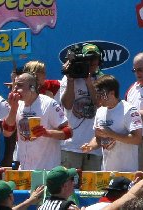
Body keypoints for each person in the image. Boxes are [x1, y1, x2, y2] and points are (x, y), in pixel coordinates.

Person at [3, 72, 72, 170]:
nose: (15, 90)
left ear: (32, 88)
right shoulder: (17, 105)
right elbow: (7, 132)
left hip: (47, 169)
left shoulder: (49, 104)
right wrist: (13, 109)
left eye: (19, 86)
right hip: (24, 169)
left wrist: (47, 133)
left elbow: (68, 132)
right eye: (14, 85)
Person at [81, 75, 142, 171]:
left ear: (112, 93)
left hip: (126, 170)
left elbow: (137, 139)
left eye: (101, 95)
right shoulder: (100, 111)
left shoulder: (129, 110)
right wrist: (90, 146)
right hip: (106, 171)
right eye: (97, 94)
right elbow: (98, 138)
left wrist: (111, 134)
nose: (98, 98)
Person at [60, 43, 103, 171]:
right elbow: (67, 105)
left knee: (93, 190)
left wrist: (89, 83)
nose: (92, 64)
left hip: (94, 147)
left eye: (95, 60)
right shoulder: (69, 77)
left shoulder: (102, 79)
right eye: (88, 61)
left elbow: (100, 104)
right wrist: (70, 80)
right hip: (71, 145)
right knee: (69, 186)